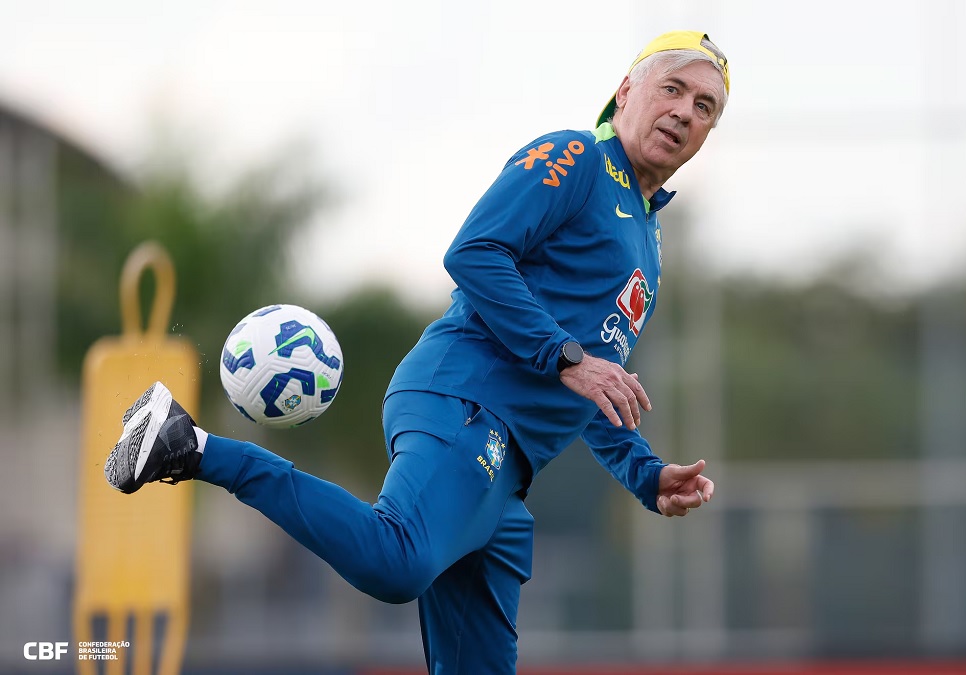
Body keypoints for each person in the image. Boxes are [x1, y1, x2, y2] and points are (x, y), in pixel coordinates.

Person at [104, 30, 728, 674]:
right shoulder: (577, 159)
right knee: (396, 560)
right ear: (625, 91)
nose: (684, 111)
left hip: (505, 477)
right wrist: (567, 357)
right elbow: (475, 253)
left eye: (704, 106)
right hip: (465, 403)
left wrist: (645, 474)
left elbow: (594, 381)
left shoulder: (649, 240)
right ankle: (192, 445)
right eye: (673, 88)